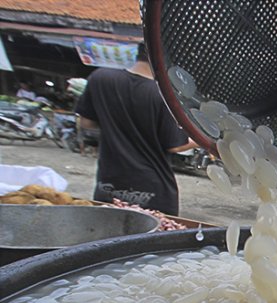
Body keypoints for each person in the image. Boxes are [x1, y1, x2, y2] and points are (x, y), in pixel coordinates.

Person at [75, 42, 196, 215]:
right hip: (153, 193)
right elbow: (175, 145)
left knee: (109, 238)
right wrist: (206, 141)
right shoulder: (165, 96)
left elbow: (86, 124)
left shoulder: (100, 78)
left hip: (108, 187)